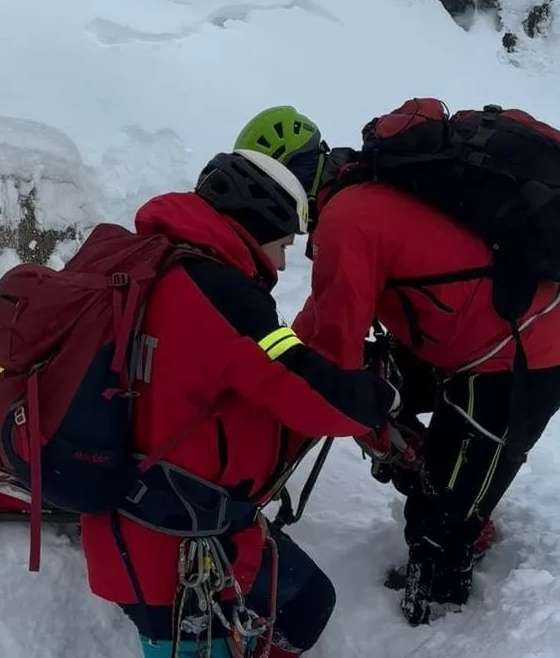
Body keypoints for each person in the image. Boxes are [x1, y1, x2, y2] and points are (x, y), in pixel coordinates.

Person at [85, 149, 399, 657]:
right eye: (282, 244)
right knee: (296, 608)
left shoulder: (154, 265)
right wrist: (381, 394)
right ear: (253, 227)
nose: (279, 262)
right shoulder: (222, 294)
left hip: (148, 517)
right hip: (175, 541)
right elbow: (311, 393)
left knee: (307, 601)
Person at [291, 100, 560, 625]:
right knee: (381, 395)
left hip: (518, 355)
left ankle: (437, 614)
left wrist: (290, 392)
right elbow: (325, 317)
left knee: (443, 523)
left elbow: (334, 353)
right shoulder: (366, 196)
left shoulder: (346, 221)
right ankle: (437, 474)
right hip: (484, 341)